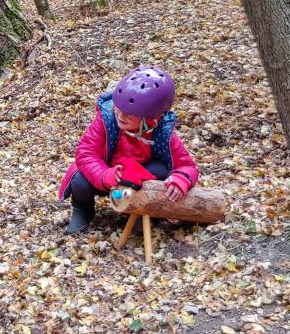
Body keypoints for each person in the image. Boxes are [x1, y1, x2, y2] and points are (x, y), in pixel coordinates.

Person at [57, 66, 199, 235]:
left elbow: (187, 165)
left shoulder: (162, 132)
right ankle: (82, 210)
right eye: (119, 108)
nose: (121, 115)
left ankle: (142, 211)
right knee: (80, 180)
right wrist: (104, 175)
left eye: (130, 114)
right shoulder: (106, 119)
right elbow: (86, 153)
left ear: (152, 118)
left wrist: (180, 179)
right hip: (107, 173)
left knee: (161, 170)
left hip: (138, 179)